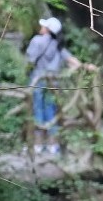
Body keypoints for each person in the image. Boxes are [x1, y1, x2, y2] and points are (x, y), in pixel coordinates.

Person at [25, 13, 76, 156]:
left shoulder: (37, 41)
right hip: (54, 82)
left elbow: (29, 60)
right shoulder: (59, 46)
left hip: (38, 80)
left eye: (44, 26)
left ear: (48, 29)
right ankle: (53, 145)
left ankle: (38, 144)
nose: (41, 27)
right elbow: (73, 61)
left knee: (37, 110)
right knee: (51, 111)